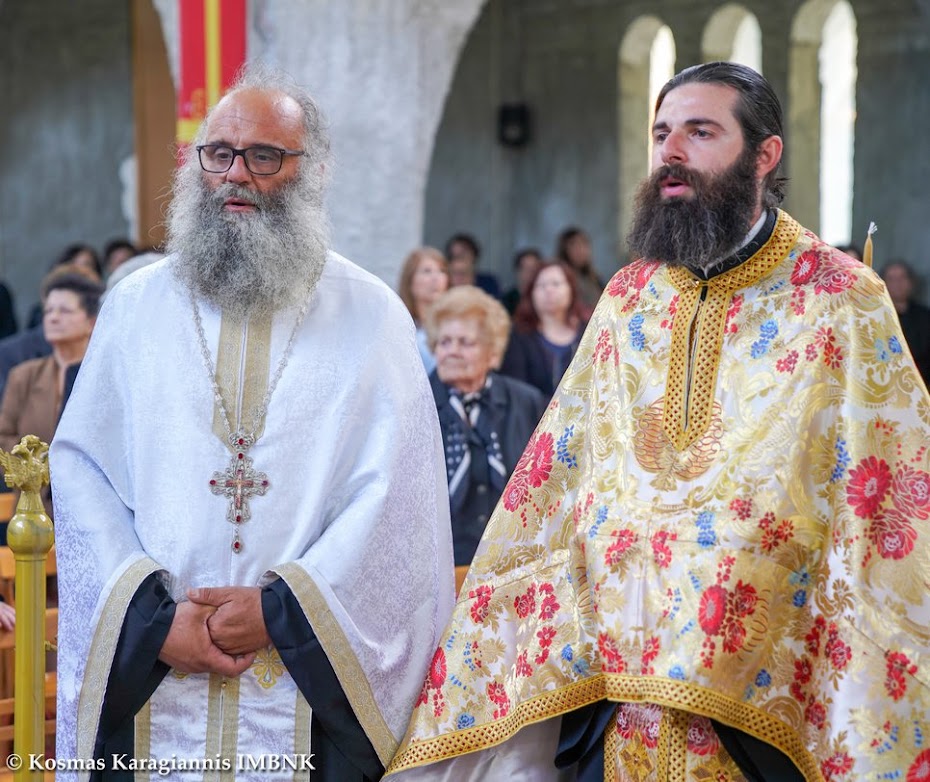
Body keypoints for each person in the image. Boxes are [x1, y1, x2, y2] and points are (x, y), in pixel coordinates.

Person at [387, 62, 930, 781]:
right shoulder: (628, 297)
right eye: (662, 132)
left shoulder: (841, 299)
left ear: (763, 155)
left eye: (700, 132)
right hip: (618, 695)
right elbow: (557, 474)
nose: (670, 152)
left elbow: (891, 499)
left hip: (764, 701)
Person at [50, 64, 453, 782]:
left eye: (264, 156)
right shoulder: (135, 308)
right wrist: (153, 621)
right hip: (154, 671)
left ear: (313, 171)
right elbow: (84, 471)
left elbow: (400, 503)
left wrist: (283, 612)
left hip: (306, 682)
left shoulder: (372, 317)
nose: (236, 173)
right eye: (219, 153)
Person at [426, 286, 545, 568]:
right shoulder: (417, 405)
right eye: (444, 342)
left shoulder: (527, 402)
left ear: (492, 353)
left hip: (512, 563)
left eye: (465, 343)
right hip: (439, 566)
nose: (452, 352)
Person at [0, 272, 102, 519]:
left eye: (65, 311)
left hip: (92, 509)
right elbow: (3, 435)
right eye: (48, 311)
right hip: (32, 510)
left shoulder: (102, 377)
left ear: (91, 321)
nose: (53, 318)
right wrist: (37, 466)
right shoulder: (24, 375)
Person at [499, 260, 589, 399]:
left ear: (571, 289)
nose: (549, 290)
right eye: (541, 285)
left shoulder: (589, 332)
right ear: (531, 293)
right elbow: (516, 390)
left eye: (556, 284)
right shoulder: (518, 335)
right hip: (534, 412)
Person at [397, 247, 450, 374]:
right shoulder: (398, 326)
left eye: (442, 271)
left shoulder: (455, 324)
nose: (436, 278)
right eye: (427, 271)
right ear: (410, 281)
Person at [880, 259, 930, 384]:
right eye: (891, 279)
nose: (897, 283)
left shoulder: (925, 316)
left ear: (911, 282)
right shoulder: (875, 316)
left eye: (902, 277)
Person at [556, 226, 605, 310]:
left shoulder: (594, 278)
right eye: (574, 246)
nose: (581, 250)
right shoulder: (560, 279)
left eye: (584, 245)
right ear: (564, 250)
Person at [446, 233, 501, 298]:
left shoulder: (489, 283)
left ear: (474, 256)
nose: (458, 260)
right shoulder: (445, 283)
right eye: (453, 256)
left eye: (462, 255)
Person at [501, 247, 542, 315]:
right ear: (517, 271)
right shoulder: (507, 301)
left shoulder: (545, 299)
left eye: (533, 269)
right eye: (525, 268)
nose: (529, 273)